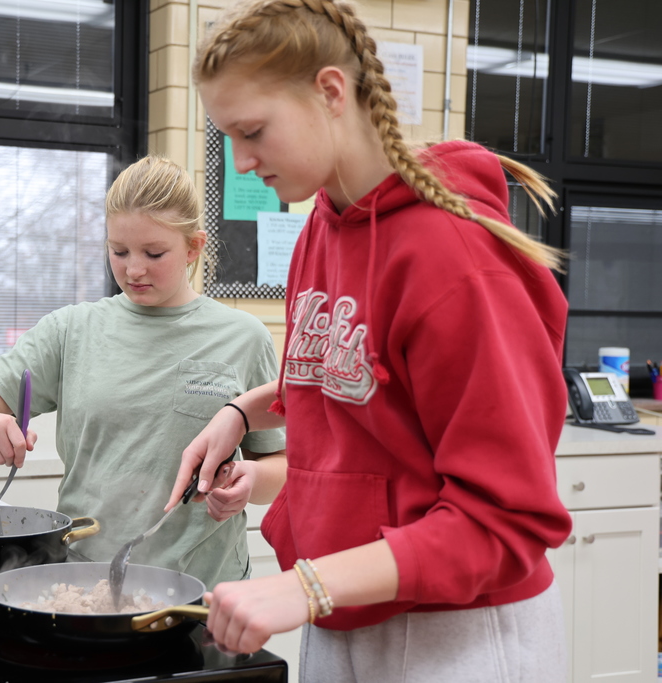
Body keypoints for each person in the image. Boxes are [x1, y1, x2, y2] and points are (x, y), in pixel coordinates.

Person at [166, 1, 572, 680]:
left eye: (253, 131)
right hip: (343, 605)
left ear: (331, 91)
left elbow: (507, 518)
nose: (239, 163)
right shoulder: (321, 229)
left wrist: (304, 586)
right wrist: (242, 411)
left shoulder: (455, 257)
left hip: (456, 629)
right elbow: (353, 376)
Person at [0, 155, 286, 590]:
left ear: (193, 247)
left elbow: (282, 465)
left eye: (154, 253)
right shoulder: (71, 331)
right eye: (119, 251)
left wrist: (254, 481)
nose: (134, 269)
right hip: (85, 582)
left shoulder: (243, 337)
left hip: (205, 593)